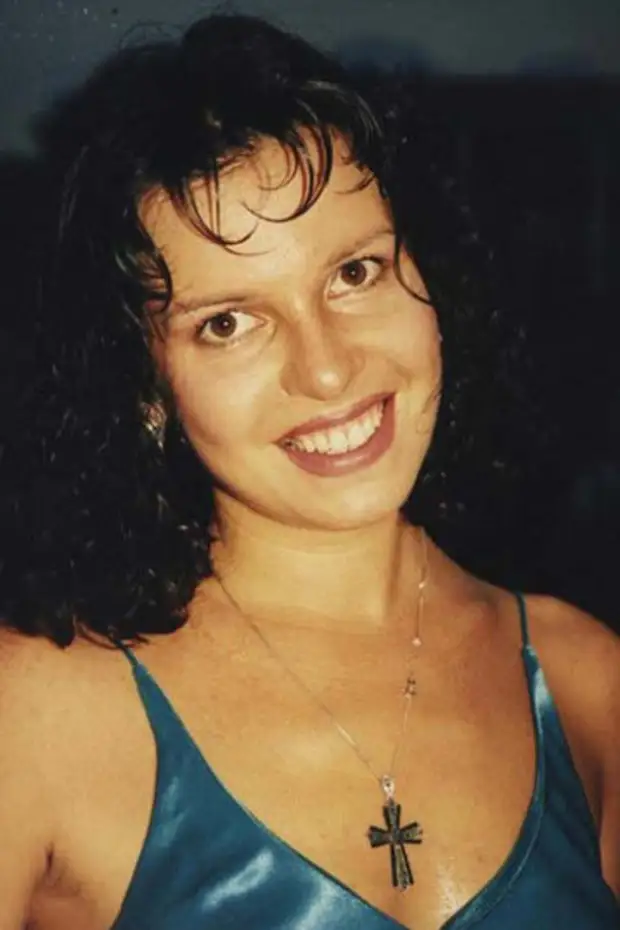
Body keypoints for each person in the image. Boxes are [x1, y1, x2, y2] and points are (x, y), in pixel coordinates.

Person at [0, 13, 618, 930]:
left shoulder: (587, 681)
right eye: (227, 323)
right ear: (145, 386)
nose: (327, 370)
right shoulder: (33, 712)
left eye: (355, 273)